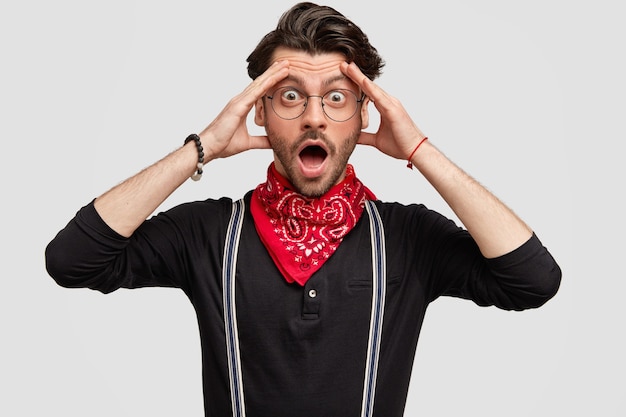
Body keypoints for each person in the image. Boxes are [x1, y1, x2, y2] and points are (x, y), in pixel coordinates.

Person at [45, 2, 562, 416]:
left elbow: (533, 280)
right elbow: (72, 260)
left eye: (336, 98)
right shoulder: (207, 232)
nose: (314, 117)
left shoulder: (408, 239)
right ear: (262, 113)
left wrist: (419, 151)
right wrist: (202, 146)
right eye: (290, 96)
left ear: (364, 115)